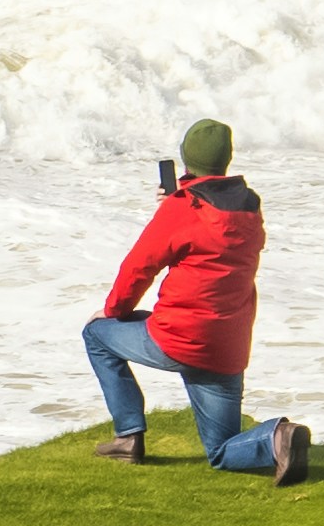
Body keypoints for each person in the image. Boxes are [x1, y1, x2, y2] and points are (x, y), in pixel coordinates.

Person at [84, 118, 307, 480]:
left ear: (185, 158)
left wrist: (111, 312)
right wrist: (179, 199)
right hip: (227, 348)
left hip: (179, 338)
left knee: (96, 335)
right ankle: (276, 438)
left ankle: (127, 438)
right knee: (221, 451)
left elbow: (138, 267)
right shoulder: (250, 208)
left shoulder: (182, 208)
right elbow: (212, 220)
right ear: (227, 159)